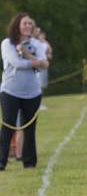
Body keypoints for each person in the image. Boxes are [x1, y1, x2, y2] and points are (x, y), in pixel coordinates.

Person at [1, 13, 49, 169]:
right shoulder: (7, 43)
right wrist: (36, 62)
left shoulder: (37, 44)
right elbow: (16, 63)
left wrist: (27, 55)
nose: (29, 26)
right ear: (17, 26)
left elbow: (45, 64)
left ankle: (29, 162)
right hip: (10, 91)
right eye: (25, 23)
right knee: (8, 125)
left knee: (29, 127)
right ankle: (1, 161)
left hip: (32, 93)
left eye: (30, 24)